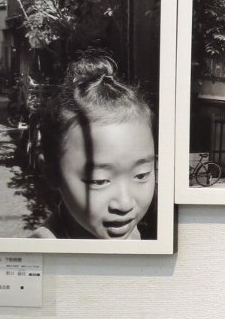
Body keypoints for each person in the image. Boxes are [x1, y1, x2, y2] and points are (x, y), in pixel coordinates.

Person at [32, 54, 156, 240]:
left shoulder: (141, 234)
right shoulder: (42, 253)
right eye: (99, 181)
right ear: (51, 173)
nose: (125, 204)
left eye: (141, 175)